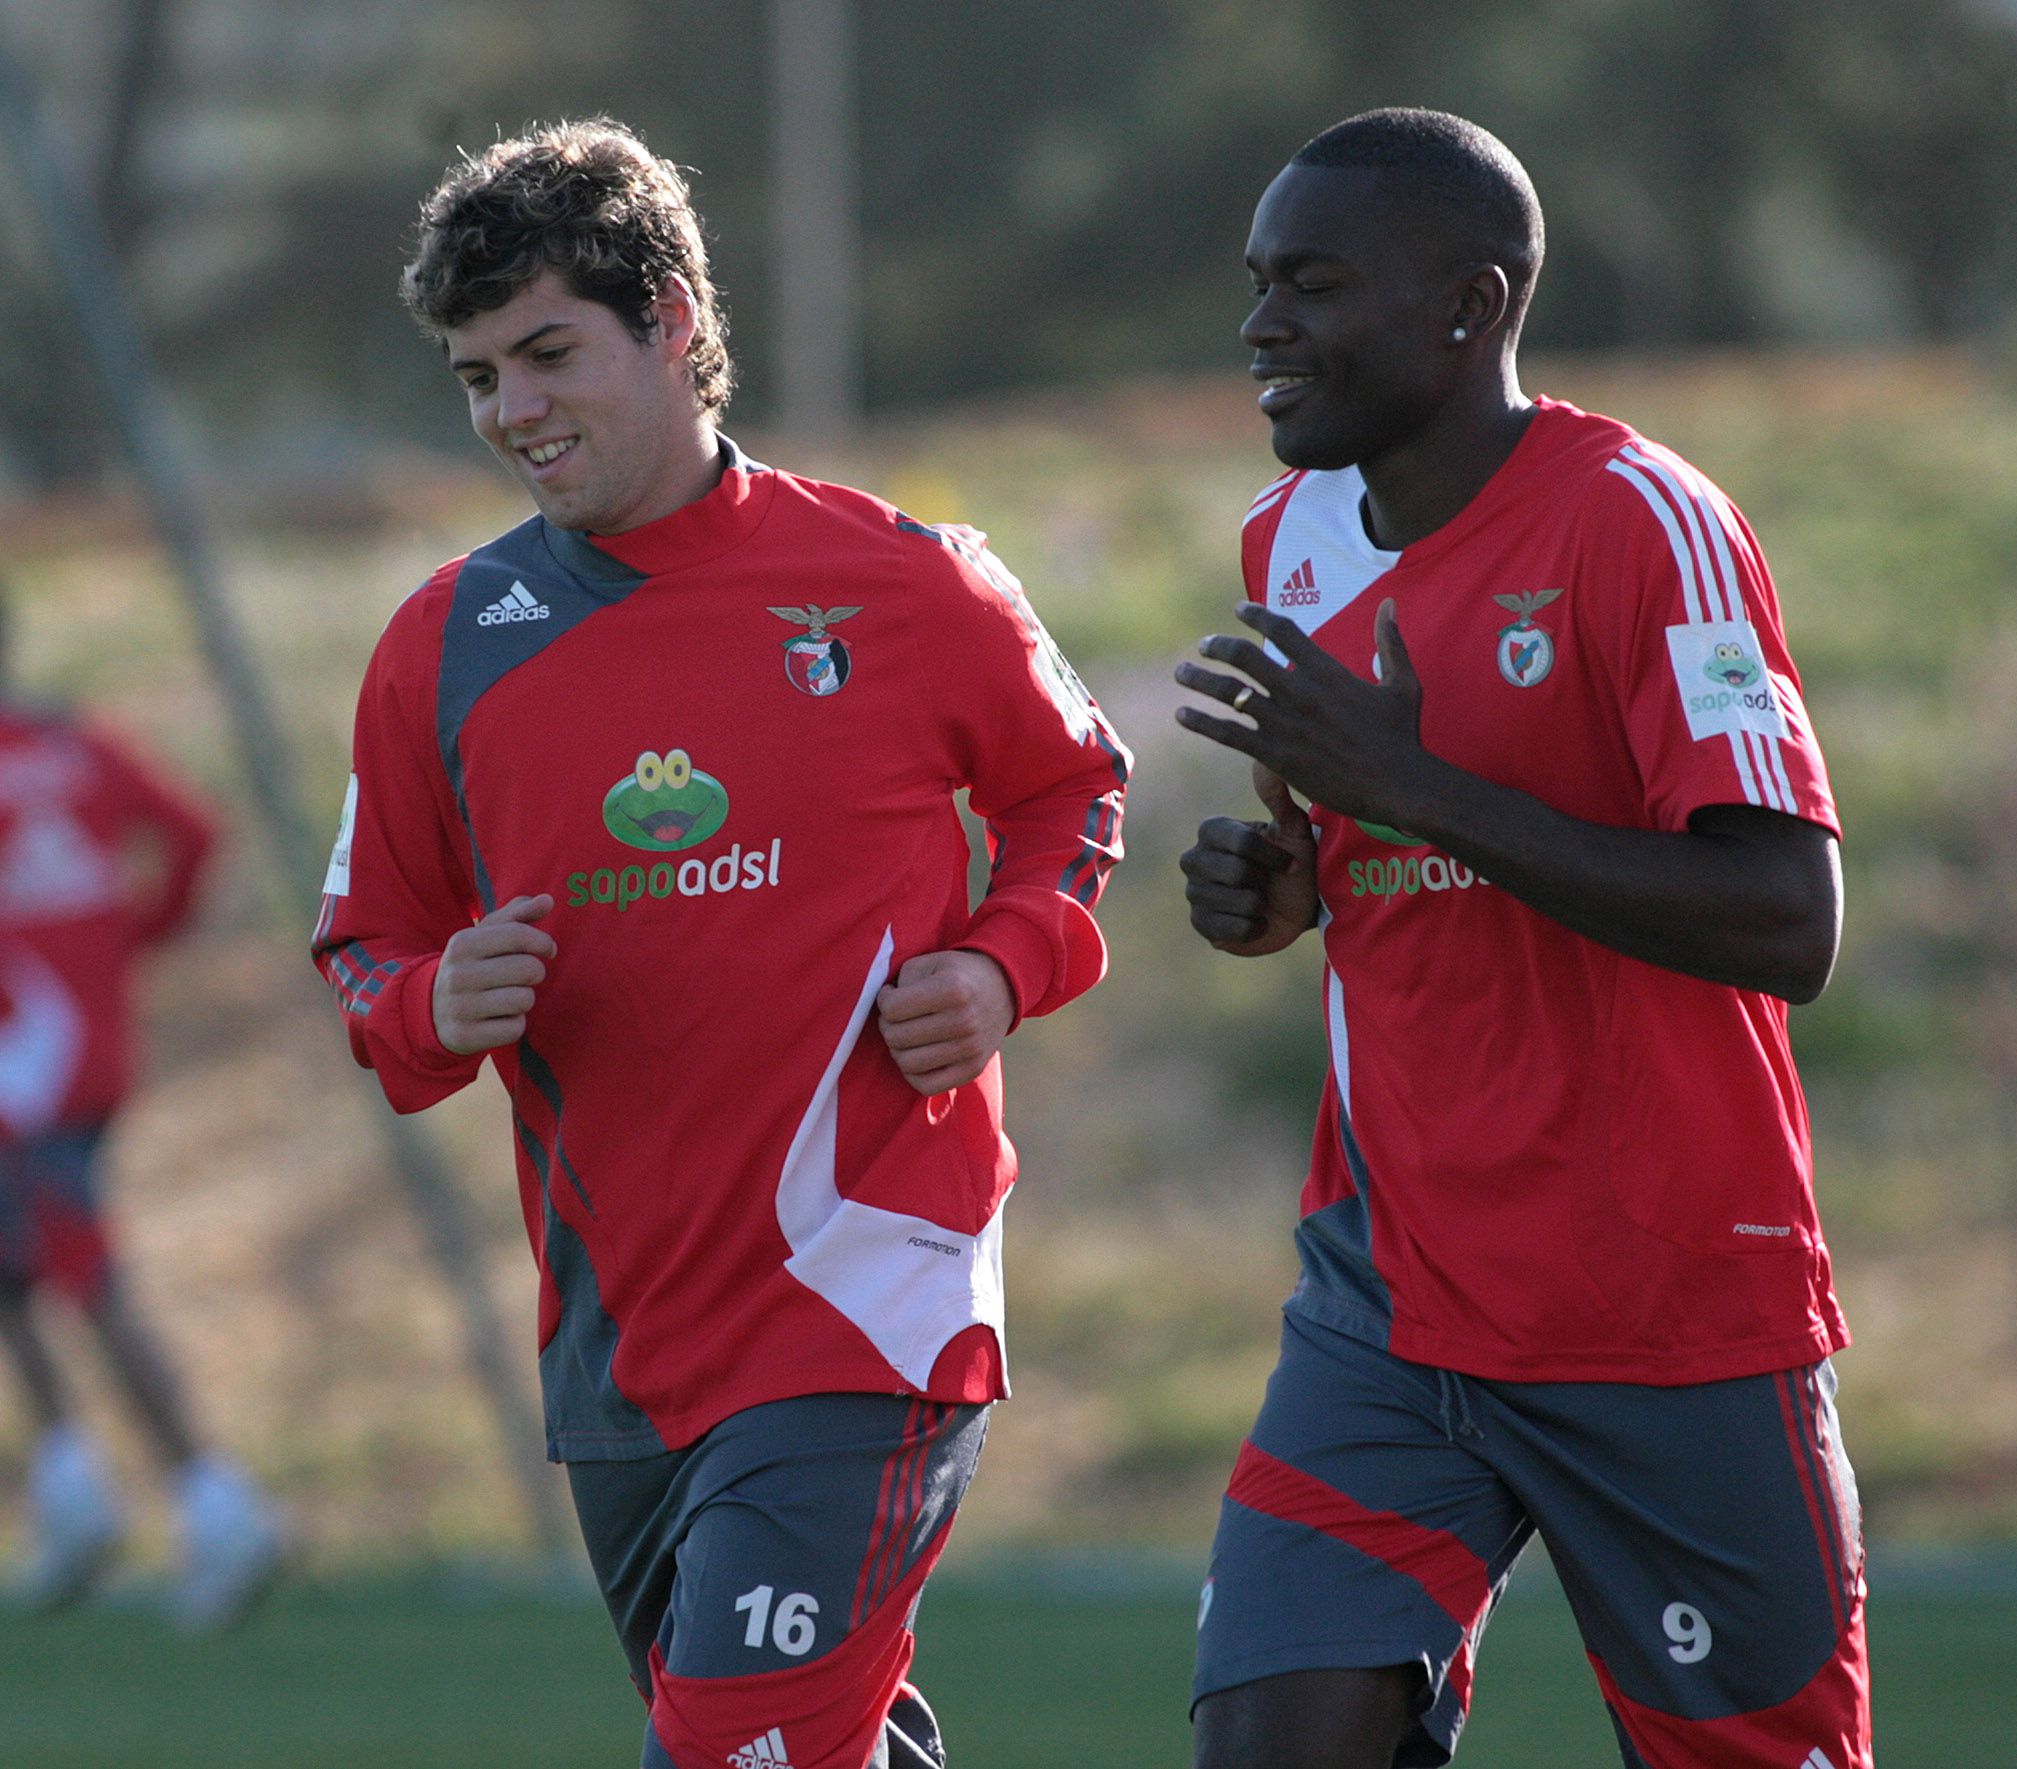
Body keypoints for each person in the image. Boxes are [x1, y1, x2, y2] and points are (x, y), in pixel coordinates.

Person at [313, 118, 1129, 1769]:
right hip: (623, 1347)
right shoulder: (442, 645)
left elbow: (1073, 788)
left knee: (737, 1750)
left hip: (863, 1297)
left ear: (673, 315)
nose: (513, 410)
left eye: (549, 352)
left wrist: (1002, 961)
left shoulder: (909, 583)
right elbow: (368, 954)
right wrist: (433, 999)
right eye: (478, 378)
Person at [1174, 109, 1868, 1769]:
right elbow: (1365, 856)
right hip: (1385, 1301)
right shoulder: (1290, 543)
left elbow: (1786, 916)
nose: (1264, 324)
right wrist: (1286, 891)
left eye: (1314, 283)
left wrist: (1410, 790)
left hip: (1663, 1306)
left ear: (1469, 307)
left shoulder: (1646, 523)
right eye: (1260, 283)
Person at [0, 599, 285, 1630]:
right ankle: (72, 1492)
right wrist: (131, 934)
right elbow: (196, 834)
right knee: (17, 1267)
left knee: (81, 1270)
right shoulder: (72, 741)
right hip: (84, 1040)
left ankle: (216, 1497)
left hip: (23, 1062)